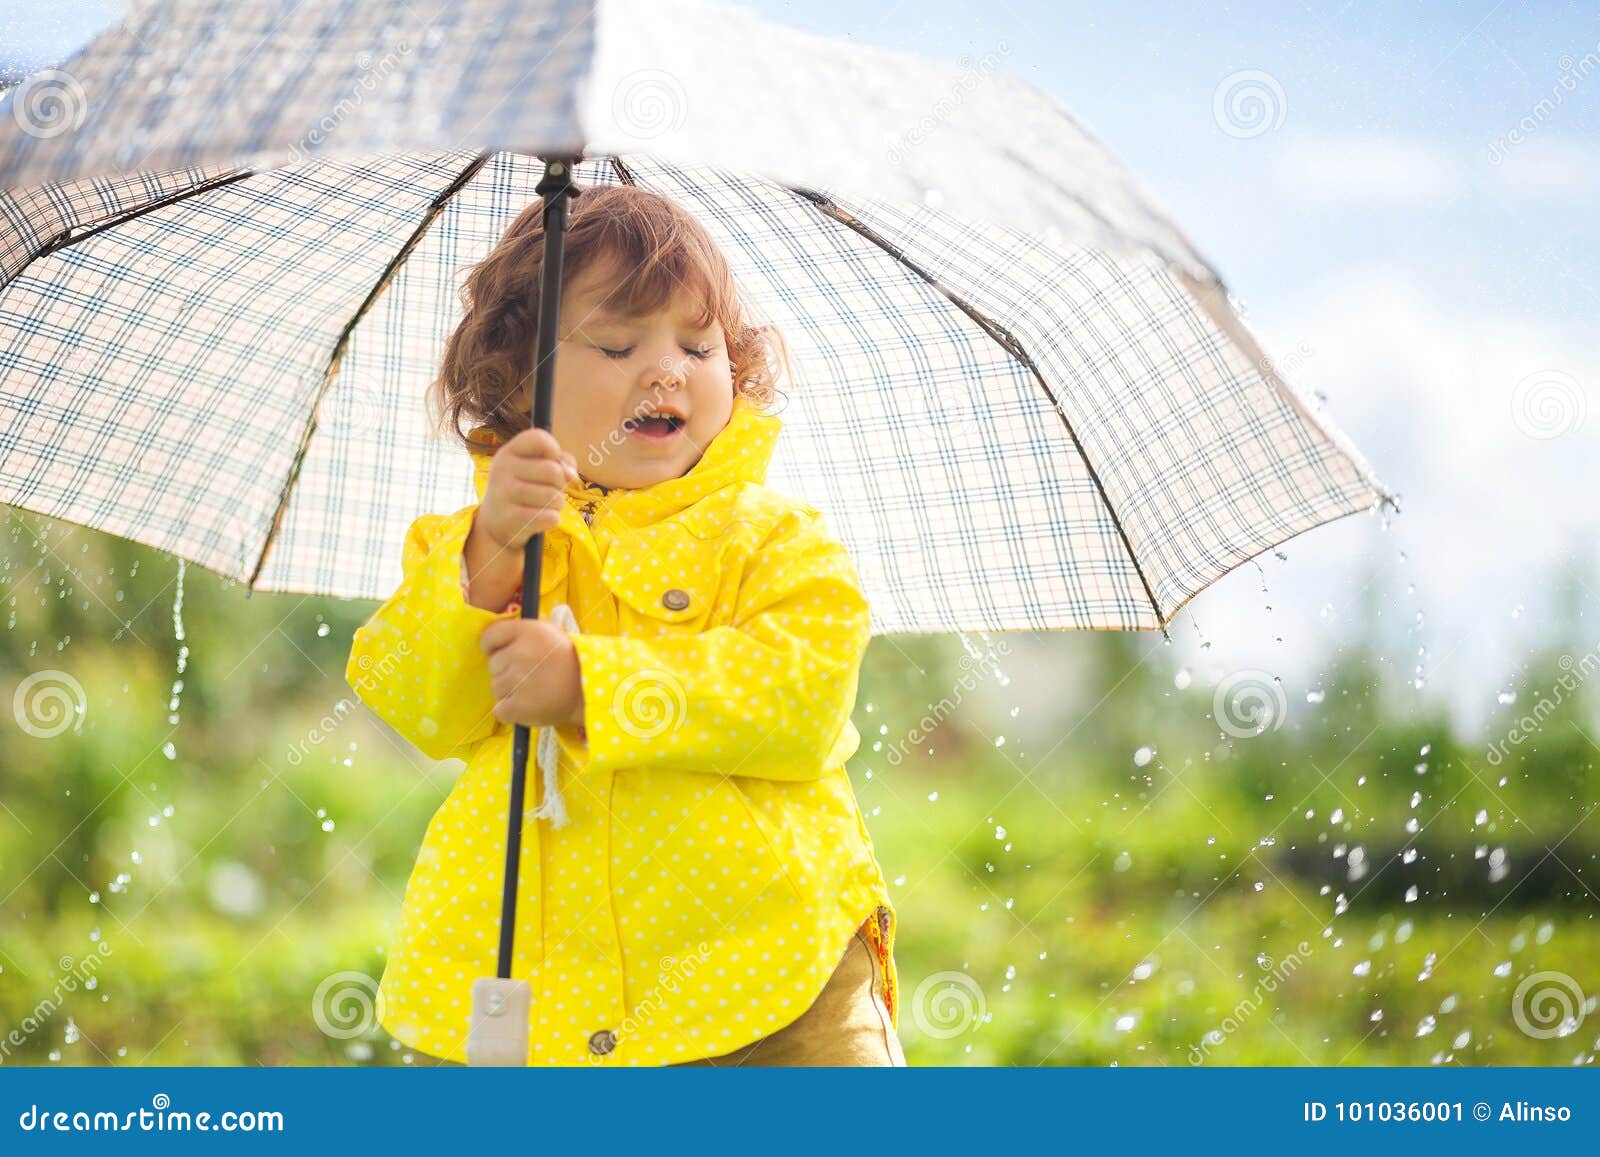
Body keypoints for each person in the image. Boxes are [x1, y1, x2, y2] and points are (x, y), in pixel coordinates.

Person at [345, 183, 903, 1066]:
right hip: (550, 991)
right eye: (617, 342)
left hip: (771, 979)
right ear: (515, 382)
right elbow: (421, 703)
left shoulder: (772, 538)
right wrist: (490, 557)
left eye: (699, 343)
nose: (667, 368)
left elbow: (800, 702)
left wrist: (589, 686)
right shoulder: (490, 544)